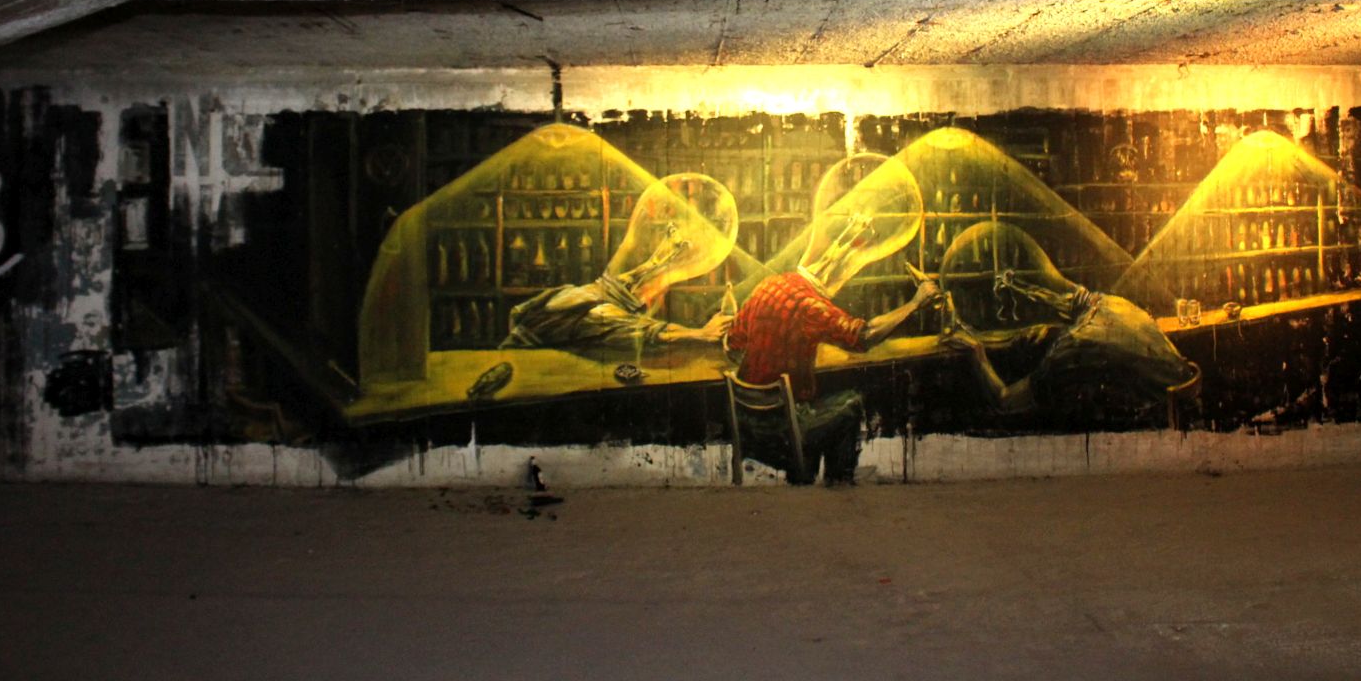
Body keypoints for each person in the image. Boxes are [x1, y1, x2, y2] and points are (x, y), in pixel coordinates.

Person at [731, 213, 941, 484]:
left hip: (748, 425)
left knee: (824, 404)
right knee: (850, 405)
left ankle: (805, 479)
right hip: (784, 430)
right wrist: (916, 303)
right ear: (833, 271)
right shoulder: (811, 306)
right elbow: (864, 336)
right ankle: (837, 487)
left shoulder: (768, 285)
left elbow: (733, 341)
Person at [469, 224, 732, 397]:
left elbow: (632, 278)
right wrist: (701, 334)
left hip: (519, 352)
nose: (653, 297)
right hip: (523, 370)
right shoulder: (600, 314)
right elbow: (653, 331)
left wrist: (662, 254)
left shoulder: (581, 293)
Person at [944, 270, 1200, 421]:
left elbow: (1005, 401)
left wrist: (978, 354)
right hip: (1185, 399)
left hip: (1156, 427)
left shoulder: (1072, 347)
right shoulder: (1112, 303)